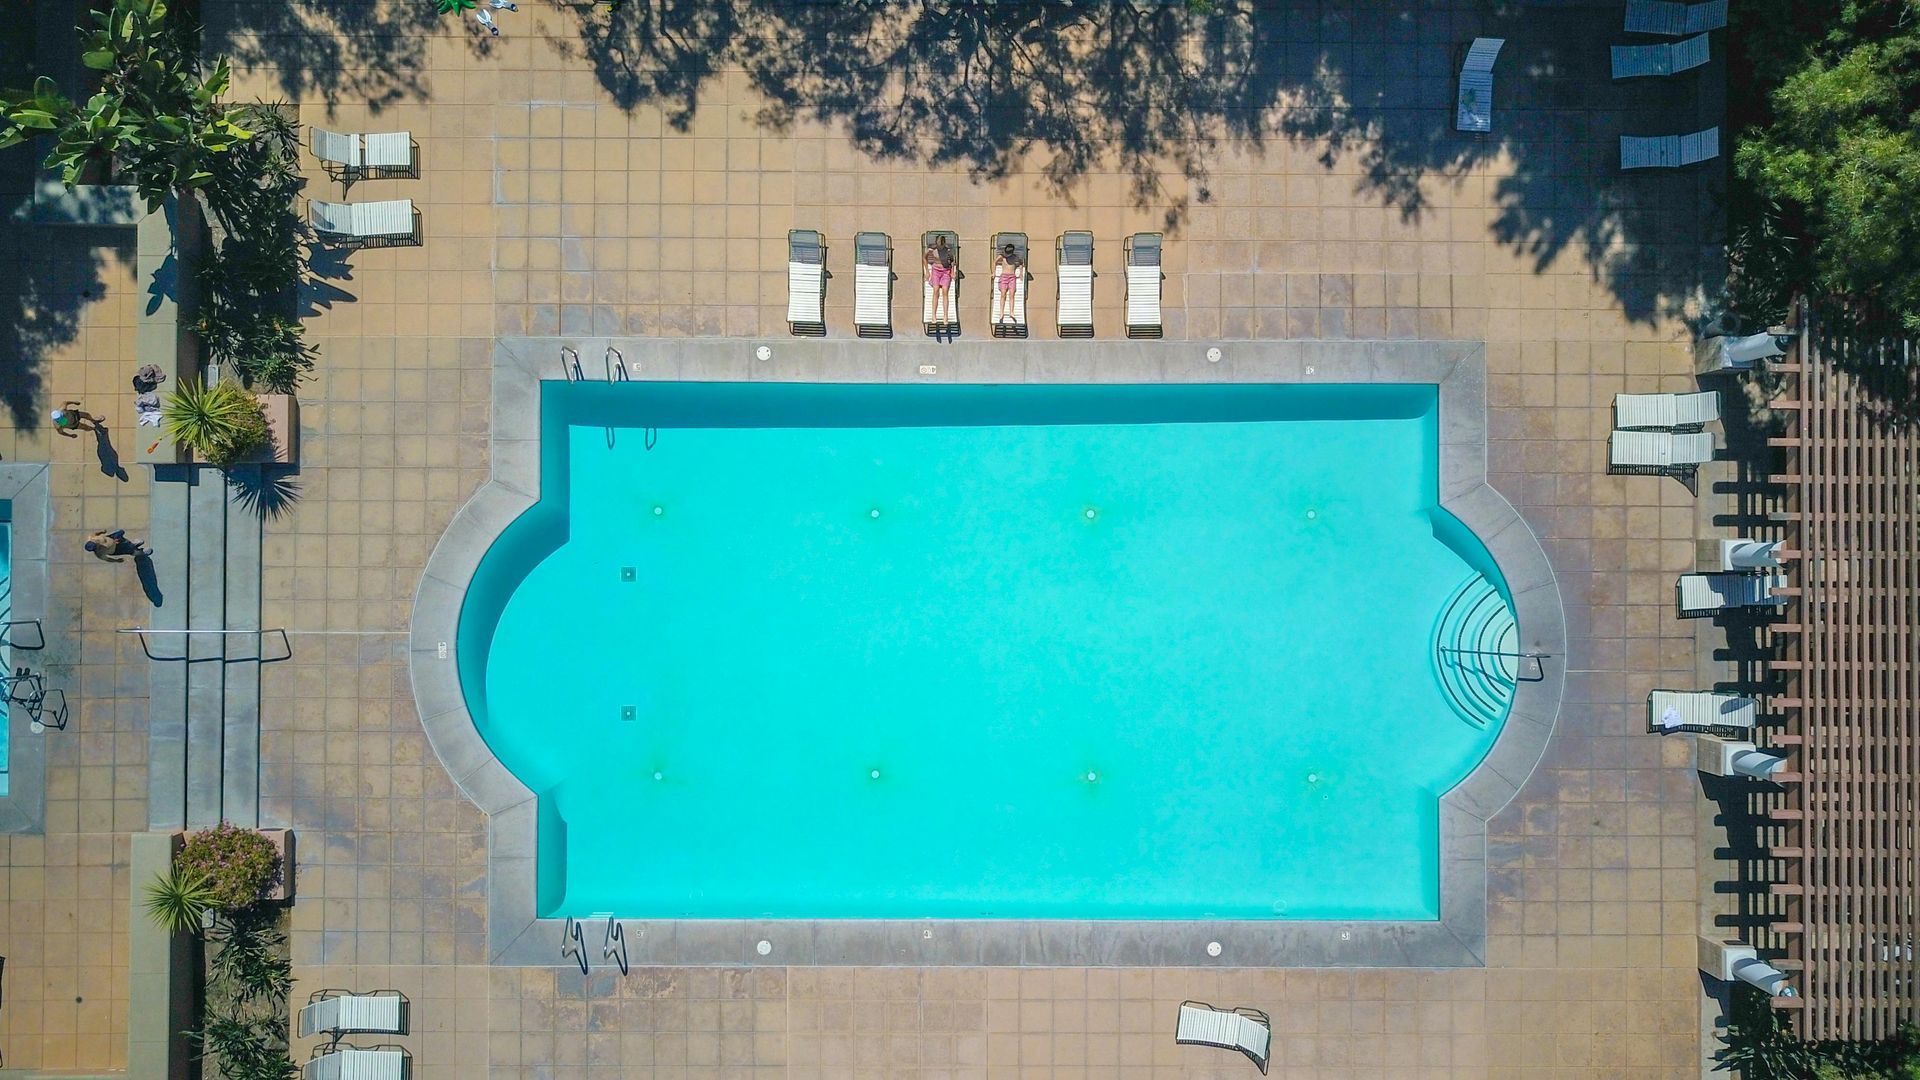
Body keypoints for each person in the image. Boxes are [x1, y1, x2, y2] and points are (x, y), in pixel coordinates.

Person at [925, 235, 956, 329]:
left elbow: (953, 261)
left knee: (945, 291)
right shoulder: (932, 250)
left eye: (941, 246)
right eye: (938, 246)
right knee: (936, 290)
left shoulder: (948, 250)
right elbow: (924, 258)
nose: (939, 248)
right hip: (935, 270)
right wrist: (926, 271)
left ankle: (945, 316)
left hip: (946, 270)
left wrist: (953, 272)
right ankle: (933, 315)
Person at [993, 243, 1021, 325]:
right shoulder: (1002, 256)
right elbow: (994, 262)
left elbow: (1020, 263)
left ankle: (1011, 312)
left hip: (1012, 277)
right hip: (1004, 277)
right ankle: (1001, 312)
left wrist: (1021, 272)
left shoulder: (1015, 257)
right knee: (1003, 294)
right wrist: (994, 272)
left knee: (1012, 295)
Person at [85, 529, 150, 562]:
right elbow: (108, 559)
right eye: (96, 547)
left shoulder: (91, 537)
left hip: (113, 538)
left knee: (121, 532)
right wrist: (117, 560)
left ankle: (133, 544)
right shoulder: (99, 554)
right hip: (116, 549)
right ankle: (141, 552)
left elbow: (95, 533)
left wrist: (102, 532)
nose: (98, 544)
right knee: (130, 550)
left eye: (96, 543)